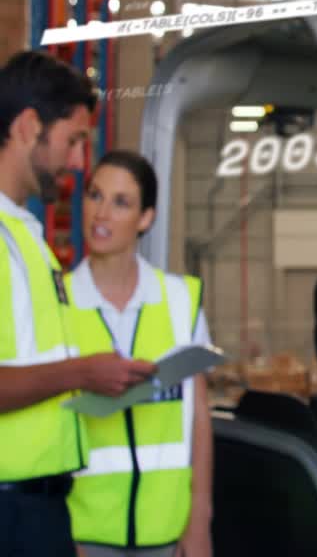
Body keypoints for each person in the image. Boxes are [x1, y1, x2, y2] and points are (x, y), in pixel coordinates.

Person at [0, 51, 156, 557]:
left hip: (38, 504)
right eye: (73, 141)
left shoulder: (25, 235)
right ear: (28, 127)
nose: (77, 163)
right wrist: (80, 374)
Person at [64, 150, 213, 557]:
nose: (102, 213)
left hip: (166, 528)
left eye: (121, 202)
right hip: (85, 529)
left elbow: (198, 415)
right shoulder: (59, 303)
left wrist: (199, 517)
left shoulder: (182, 299)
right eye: (95, 196)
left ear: (146, 218)